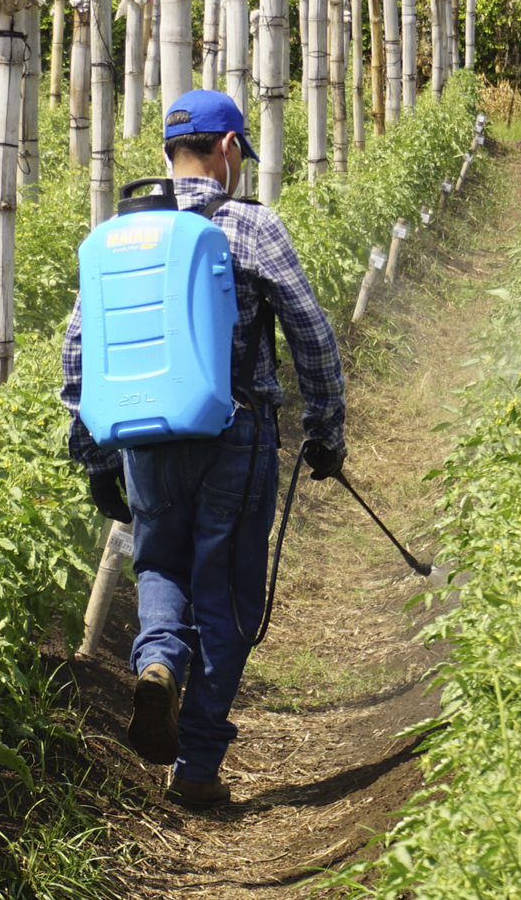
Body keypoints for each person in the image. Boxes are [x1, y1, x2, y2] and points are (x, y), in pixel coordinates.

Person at [59, 88, 347, 808]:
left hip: (144, 436)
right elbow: (310, 330)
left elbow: (76, 352)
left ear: (167, 151)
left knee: (160, 560)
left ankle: (157, 661)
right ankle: (197, 765)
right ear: (227, 150)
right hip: (235, 433)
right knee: (227, 593)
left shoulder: (121, 234)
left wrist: (95, 456)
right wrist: (326, 430)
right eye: (241, 154)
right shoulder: (249, 227)